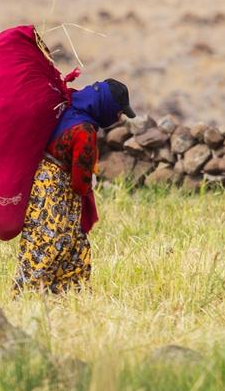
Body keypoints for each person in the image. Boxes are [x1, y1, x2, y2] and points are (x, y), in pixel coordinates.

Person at [14, 78, 135, 294]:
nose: (117, 118)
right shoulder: (85, 131)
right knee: (57, 242)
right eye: (118, 112)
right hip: (58, 191)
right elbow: (80, 183)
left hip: (40, 182)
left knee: (40, 238)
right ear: (105, 106)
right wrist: (90, 182)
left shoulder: (67, 107)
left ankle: (36, 293)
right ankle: (44, 294)